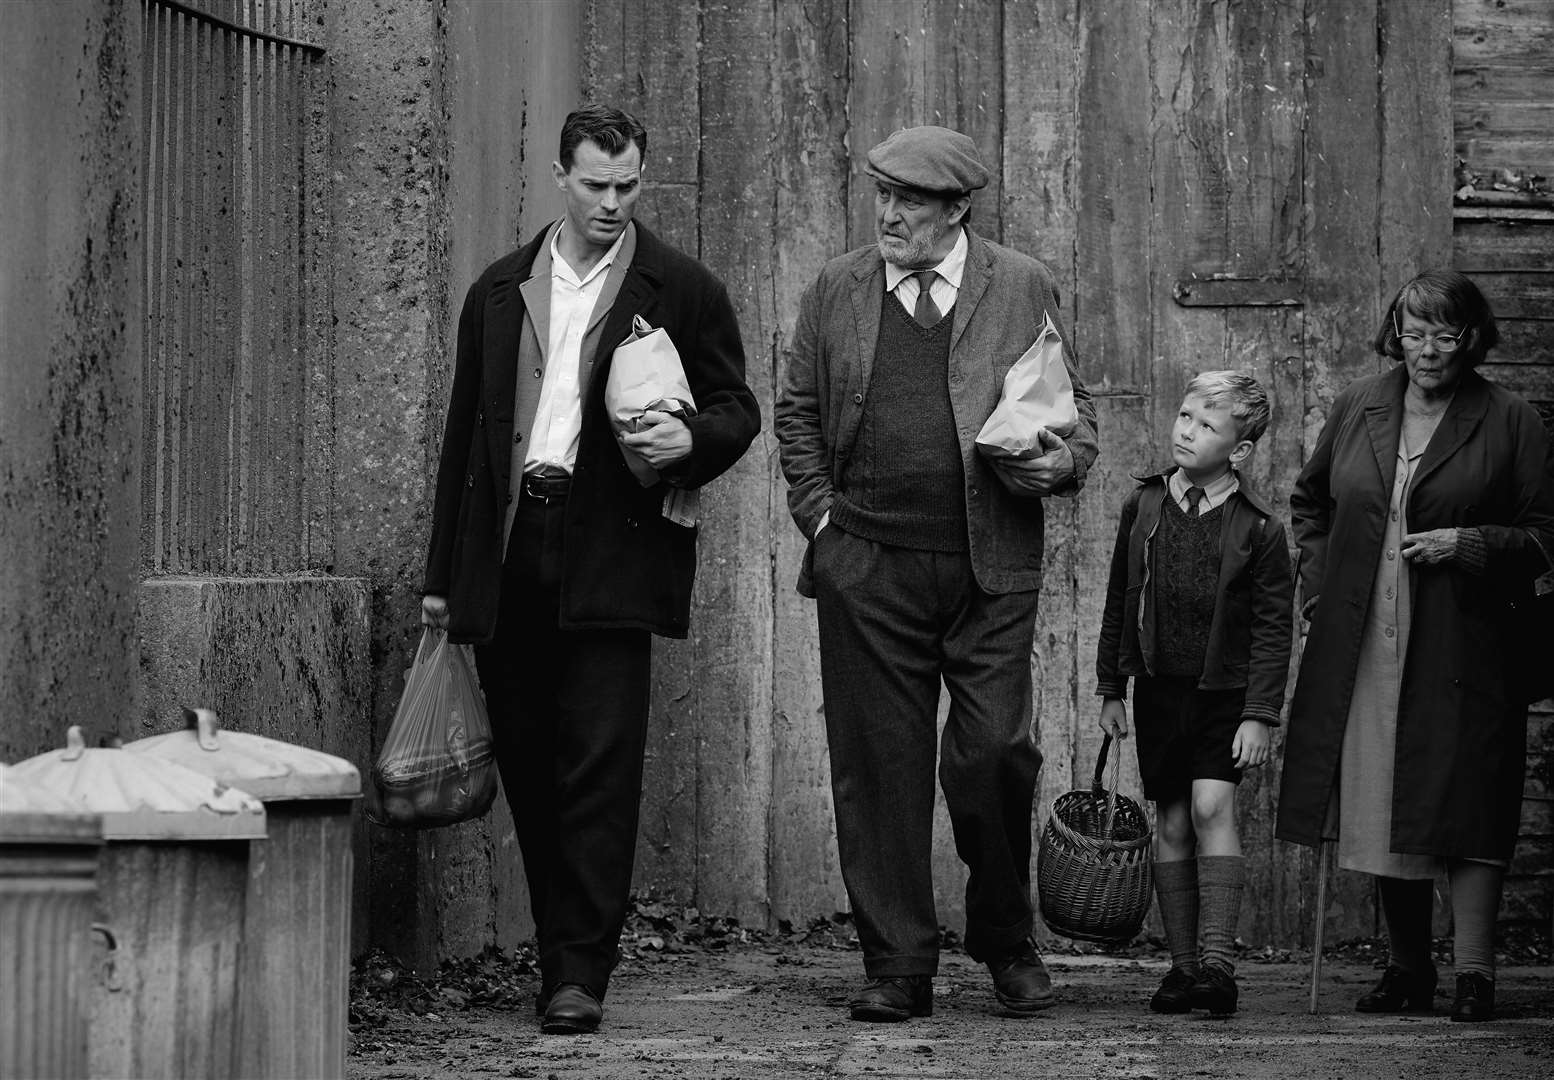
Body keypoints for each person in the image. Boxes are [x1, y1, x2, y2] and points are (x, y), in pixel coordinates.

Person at [420, 105, 759, 1035]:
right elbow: (464, 444)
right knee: (530, 765)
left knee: (600, 769)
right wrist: (441, 578)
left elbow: (739, 408)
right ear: (562, 177)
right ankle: (558, 950)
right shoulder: (498, 290)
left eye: (629, 186)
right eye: (597, 184)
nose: (613, 202)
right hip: (511, 543)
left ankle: (578, 977)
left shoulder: (681, 289)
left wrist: (690, 436)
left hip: (613, 544)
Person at [775, 125, 1100, 1022]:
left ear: (958, 209)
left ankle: (1003, 939)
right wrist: (824, 521)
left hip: (988, 566)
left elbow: (1075, 422)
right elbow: (796, 411)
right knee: (879, 768)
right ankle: (898, 963)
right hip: (868, 566)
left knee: (994, 753)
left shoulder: (1021, 282)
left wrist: (1059, 466)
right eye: (881, 195)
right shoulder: (837, 287)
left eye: (910, 200)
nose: (889, 214)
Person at [1276, 270, 1554, 1023]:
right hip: (1367, 637)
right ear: (1394, 331)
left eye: (1442, 335)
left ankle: (1475, 973)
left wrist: (1469, 544)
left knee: (1467, 798)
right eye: (1412, 331)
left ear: (1471, 338)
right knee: (1378, 797)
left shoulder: (1510, 419)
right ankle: (1408, 970)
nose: (1426, 350)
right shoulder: (1361, 404)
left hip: (1465, 639)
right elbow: (1312, 504)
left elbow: (1542, 538)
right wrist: (1317, 591)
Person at [1096, 371, 1294, 1016]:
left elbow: (1272, 629)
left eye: (1206, 425)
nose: (1186, 431)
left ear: (1238, 450)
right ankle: (1181, 971)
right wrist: (1111, 689)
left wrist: (1260, 714)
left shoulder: (1259, 528)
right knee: (1174, 819)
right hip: (1158, 692)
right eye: (1184, 416)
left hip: (1222, 697)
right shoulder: (1146, 504)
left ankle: (1217, 966)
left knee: (1212, 808)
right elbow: (1119, 600)